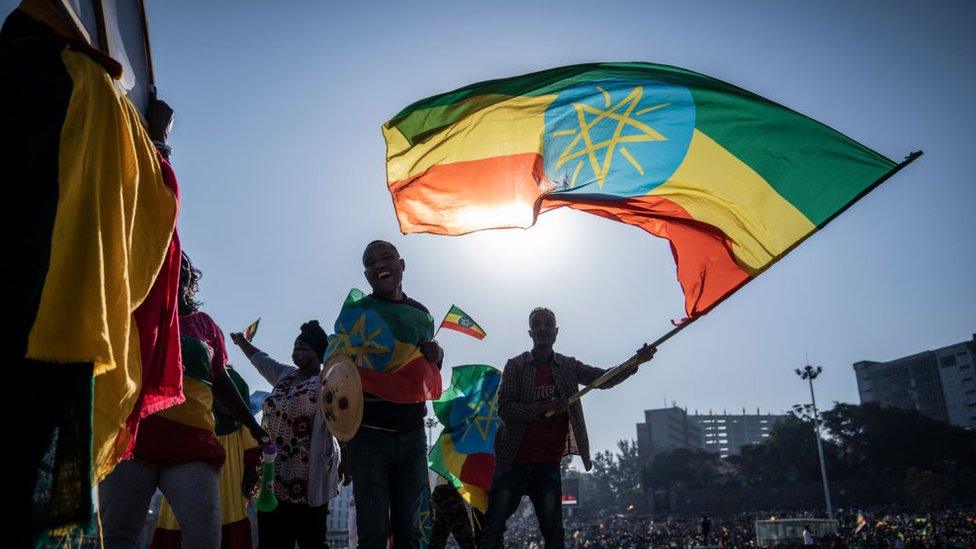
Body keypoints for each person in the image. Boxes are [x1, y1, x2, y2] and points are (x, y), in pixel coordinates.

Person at [98, 253, 269, 548]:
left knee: (205, 536)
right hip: (131, 443)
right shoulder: (131, 311)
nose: (179, 268)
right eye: (169, 261)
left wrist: (253, 425)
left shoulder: (205, 326)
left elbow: (221, 381)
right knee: (118, 536)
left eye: (185, 265)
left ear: (192, 280)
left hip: (191, 446)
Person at [478, 307, 656, 548]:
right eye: (537, 324)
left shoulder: (568, 366)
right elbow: (505, 410)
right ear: (530, 333)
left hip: (547, 466)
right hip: (512, 462)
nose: (542, 328)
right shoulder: (516, 366)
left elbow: (604, 379)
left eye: (547, 324)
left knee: (554, 534)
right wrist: (544, 407)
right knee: (493, 528)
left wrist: (635, 362)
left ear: (555, 332)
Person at [341, 240, 444, 548]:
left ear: (402, 264)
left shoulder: (421, 315)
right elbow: (340, 373)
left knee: (409, 531)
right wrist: (344, 441)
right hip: (368, 436)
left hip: (411, 436)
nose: (379, 264)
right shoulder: (357, 314)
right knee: (372, 532)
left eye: (386, 257)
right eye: (370, 262)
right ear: (366, 273)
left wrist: (437, 355)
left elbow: (423, 371)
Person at [230, 320, 342, 548]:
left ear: (319, 353)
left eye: (305, 349)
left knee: (311, 541)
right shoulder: (285, 375)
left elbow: (344, 419)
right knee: (272, 541)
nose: (298, 354)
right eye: (296, 348)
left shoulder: (327, 381)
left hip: (308, 478)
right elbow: (262, 360)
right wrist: (242, 343)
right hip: (273, 476)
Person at [151, 365, 261, 548]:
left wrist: (250, 469)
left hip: (211, 457)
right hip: (195, 453)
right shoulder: (183, 371)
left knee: (209, 514)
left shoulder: (227, 382)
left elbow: (248, 433)